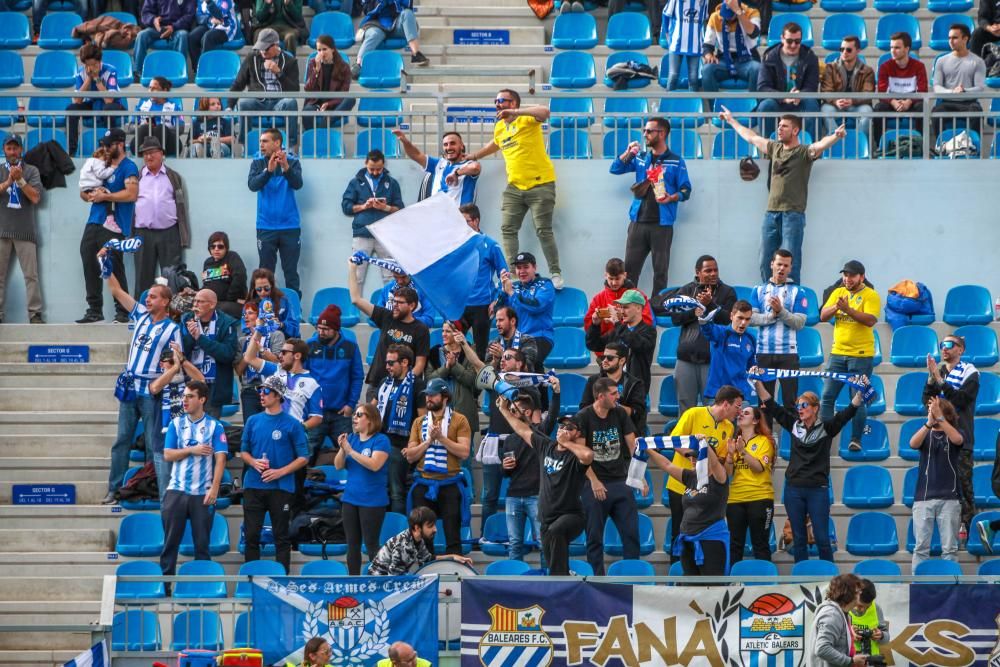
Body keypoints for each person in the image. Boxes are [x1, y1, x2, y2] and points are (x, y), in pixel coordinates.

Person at [717, 109, 846, 285]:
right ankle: (768, 294)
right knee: (765, 260)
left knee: (791, 261)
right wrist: (731, 120)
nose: (779, 129)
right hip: (771, 213)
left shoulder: (803, 152)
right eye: (779, 126)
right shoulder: (774, 148)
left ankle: (791, 301)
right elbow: (752, 138)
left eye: (784, 126)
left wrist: (836, 137)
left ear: (795, 131)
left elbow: (819, 145)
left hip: (793, 215)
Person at [755, 377, 863, 562]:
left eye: (804, 405)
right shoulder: (793, 425)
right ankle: (801, 581)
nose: (800, 409)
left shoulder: (827, 428)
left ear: (815, 408)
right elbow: (771, 404)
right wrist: (757, 383)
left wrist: (859, 390)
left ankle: (829, 581)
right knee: (799, 539)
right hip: (794, 489)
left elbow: (848, 412)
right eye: (798, 406)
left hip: (817, 490)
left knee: (822, 538)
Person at [466, 90, 562, 288]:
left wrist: (517, 113)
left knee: (543, 230)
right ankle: (513, 276)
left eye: (503, 101)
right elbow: (495, 144)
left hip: (541, 183)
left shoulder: (526, 118)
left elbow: (545, 112)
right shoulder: (500, 126)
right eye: (496, 101)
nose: (498, 104)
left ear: (514, 103)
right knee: (508, 229)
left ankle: (555, 272)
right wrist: (475, 155)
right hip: (514, 186)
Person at [101, 272, 181, 504]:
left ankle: (149, 487)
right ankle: (114, 489)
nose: (148, 300)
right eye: (148, 297)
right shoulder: (141, 315)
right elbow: (116, 291)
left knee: (151, 444)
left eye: (154, 297)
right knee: (121, 440)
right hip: (130, 387)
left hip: (151, 391)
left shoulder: (172, 329)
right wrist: (106, 267)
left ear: (165, 302)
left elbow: (176, 363)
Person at [496, 403, 593, 576]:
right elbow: (523, 430)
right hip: (546, 517)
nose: (563, 429)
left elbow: (588, 456)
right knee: (554, 560)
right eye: (561, 426)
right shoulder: (546, 446)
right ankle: (564, 578)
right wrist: (504, 410)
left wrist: (566, 443)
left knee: (556, 533)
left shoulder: (574, 456)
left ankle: (557, 585)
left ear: (578, 434)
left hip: (571, 516)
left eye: (569, 428)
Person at [609, 117, 692, 296]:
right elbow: (615, 168)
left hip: (662, 225)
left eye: (649, 131)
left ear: (661, 134)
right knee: (629, 270)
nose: (644, 134)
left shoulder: (676, 161)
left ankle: (656, 308)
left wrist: (672, 198)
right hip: (637, 222)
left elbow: (686, 190)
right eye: (645, 131)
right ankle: (628, 307)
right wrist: (628, 153)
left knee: (660, 272)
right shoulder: (640, 158)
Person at [158, 380, 228, 577]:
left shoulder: (215, 426)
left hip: (202, 493)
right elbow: (168, 455)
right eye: (184, 396)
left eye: (190, 396)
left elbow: (221, 459)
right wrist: (191, 450)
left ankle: (202, 587)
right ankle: (166, 585)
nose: (185, 400)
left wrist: (214, 489)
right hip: (176, 490)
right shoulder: (176, 423)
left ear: (202, 399)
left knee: (202, 545)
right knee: (170, 543)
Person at [240, 375, 309, 572]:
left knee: (281, 536)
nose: (262, 395)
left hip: (281, 487)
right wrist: (253, 462)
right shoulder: (253, 421)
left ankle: (281, 582)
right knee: (251, 535)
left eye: (266, 391)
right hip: (254, 484)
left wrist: (280, 472)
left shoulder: (292, 424)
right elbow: (243, 452)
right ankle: (252, 579)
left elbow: (303, 457)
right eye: (260, 391)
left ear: (278, 395)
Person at [663, 385, 742, 558]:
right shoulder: (693, 414)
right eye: (737, 406)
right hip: (681, 483)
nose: (739, 411)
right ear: (725, 404)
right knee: (679, 532)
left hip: (707, 490)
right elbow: (673, 440)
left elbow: (719, 462)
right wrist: (693, 454)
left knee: (703, 534)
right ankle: (678, 578)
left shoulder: (728, 427)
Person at [655, 255, 737, 414]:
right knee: (686, 410)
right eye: (708, 270)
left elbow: (728, 319)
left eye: (715, 270)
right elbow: (676, 318)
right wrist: (695, 310)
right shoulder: (686, 290)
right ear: (698, 272)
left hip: (713, 359)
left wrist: (710, 305)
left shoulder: (728, 292)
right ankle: (687, 440)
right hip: (686, 359)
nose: (713, 274)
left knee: (714, 408)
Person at [576, 377, 640, 575]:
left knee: (631, 534)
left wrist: (639, 475)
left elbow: (633, 444)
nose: (618, 397)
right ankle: (598, 581)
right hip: (594, 483)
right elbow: (580, 452)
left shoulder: (620, 413)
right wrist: (594, 481)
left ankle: (632, 577)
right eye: (613, 394)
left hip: (620, 481)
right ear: (600, 396)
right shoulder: (583, 417)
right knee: (594, 537)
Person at [404, 378, 472, 555]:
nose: (428, 399)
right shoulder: (419, 422)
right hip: (424, 483)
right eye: (427, 395)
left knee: (452, 534)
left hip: (449, 483)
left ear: (445, 397)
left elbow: (464, 452)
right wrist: (428, 441)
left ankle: (455, 572)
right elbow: (411, 456)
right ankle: (426, 572)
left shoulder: (460, 420)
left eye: (433, 395)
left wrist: (441, 438)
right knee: (421, 536)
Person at [646, 435, 731, 576]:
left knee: (713, 587)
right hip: (687, 539)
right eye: (691, 457)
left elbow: (715, 464)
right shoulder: (691, 477)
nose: (692, 460)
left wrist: (705, 443)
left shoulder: (718, 478)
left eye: (697, 457)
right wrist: (646, 447)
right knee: (691, 587)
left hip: (710, 540)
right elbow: (667, 465)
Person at [820, 260, 880, 452]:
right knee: (827, 397)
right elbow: (823, 316)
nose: (847, 279)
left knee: (857, 398)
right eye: (845, 275)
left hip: (861, 356)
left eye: (852, 275)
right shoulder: (838, 292)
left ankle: (856, 439)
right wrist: (836, 308)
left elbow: (870, 320)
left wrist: (848, 310)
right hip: (837, 353)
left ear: (861, 277)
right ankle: (824, 437)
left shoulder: (871, 295)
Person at [923, 333, 979, 534]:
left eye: (949, 344)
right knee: (941, 488)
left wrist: (939, 380)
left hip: (961, 440)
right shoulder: (938, 372)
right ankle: (946, 531)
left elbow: (960, 401)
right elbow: (927, 401)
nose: (944, 348)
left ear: (961, 350)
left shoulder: (970, 372)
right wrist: (932, 379)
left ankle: (969, 530)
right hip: (937, 440)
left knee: (963, 488)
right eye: (942, 345)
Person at [499, 381, 560, 565]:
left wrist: (556, 392)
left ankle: (547, 582)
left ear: (526, 412)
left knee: (543, 543)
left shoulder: (540, 432)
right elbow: (505, 473)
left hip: (536, 496)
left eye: (513, 410)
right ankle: (514, 584)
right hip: (513, 496)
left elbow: (553, 416)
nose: (510, 414)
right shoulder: (509, 439)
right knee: (514, 544)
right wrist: (505, 467)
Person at [349, 260, 430, 391]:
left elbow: (420, 363)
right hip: (378, 384)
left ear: (412, 306)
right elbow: (356, 299)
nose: (395, 305)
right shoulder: (386, 316)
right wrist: (352, 268)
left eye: (400, 302)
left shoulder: (420, 329)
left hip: (404, 388)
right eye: (394, 301)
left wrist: (405, 384)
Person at [749, 249, 808, 421]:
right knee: (764, 403)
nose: (781, 268)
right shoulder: (758, 290)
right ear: (771, 264)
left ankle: (792, 445)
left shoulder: (798, 291)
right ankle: (766, 446)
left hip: (788, 354)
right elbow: (751, 318)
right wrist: (771, 316)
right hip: (763, 353)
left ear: (790, 268)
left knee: (790, 403)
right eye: (779, 264)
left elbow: (799, 323)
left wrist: (781, 311)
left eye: (786, 265)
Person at [335, 403, 390, 575]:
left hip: (372, 501)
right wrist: (343, 449)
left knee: (371, 544)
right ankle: (354, 581)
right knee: (352, 545)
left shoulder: (381, 440)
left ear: (371, 420)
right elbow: (338, 466)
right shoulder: (351, 438)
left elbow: (374, 465)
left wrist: (350, 451)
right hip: (350, 499)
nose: (355, 417)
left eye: (360, 415)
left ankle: (377, 582)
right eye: (355, 415)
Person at [909, 396, 964, 569]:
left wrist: (940, 418)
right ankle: (918, 586)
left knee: (949, 549)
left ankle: (951, 587)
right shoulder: (926, 433)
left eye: (933, 410)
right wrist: (928, 423)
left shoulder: (953, 432)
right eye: (929, 410)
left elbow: (958, 440)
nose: (930, 413)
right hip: (923, 498)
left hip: (950, 498)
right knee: (921, 548)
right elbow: (912, 443)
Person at [248, 128, 304, 296]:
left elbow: (297, 184)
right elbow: (253, 185)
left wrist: (285, 167)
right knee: (265, 274)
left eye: (265, 141)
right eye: (260, 141)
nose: (261, 145)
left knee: (291, 272)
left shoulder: (292, 161)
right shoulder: (257, 162)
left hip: (290, 226)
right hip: (265, 227)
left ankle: (294, 310)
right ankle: (266, 308)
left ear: (277, 143)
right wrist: (269, 171)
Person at [133, 136, 190, 296]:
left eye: (152, 152)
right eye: (145, 154)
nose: (148, 157)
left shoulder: (174, 177)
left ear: (161, 154)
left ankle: (172, 314)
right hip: (142, 234)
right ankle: (142, 314)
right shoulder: (136, 177)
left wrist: (183, 235)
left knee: (171, 277)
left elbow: (181, 208)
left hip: (169, 233)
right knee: (142, 277)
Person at [374, 344, 427, 514]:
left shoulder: (417, 385)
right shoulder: (384, 383)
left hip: (401, 447)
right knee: (381, 490)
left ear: (404, 362)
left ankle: (398, 530)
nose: (387, 366)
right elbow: (372, 410)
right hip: (380, 444)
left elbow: (422, 420)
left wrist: (413, 446)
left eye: (391, 363)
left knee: (397, 492)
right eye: (386, 363)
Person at [342, 149, 404, 287]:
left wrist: (385, 208)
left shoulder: (392, 183)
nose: (375, 172)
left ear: (384, 165)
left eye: (379, 169)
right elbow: (346, 207)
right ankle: (354, 309)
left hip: (386, 234)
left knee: (390, 277)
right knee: (357, 276)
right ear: (365, 163)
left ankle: (391, 308)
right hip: (363, 233)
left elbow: (400, 209)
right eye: (372, 169)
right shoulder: (355, 182)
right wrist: (364, 206)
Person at [229, 28, 300, 147]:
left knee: (291, 103)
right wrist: (230, 105)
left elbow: (294, 89)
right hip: (258, 101)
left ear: (276, 46)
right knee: (243, 103)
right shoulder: (252, 57)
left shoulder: (290, 61)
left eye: (266, 48)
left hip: (279, 101)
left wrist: (278, 73)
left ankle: (291, 146)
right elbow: (239, 83)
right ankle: (244, 145)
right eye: (260, 47)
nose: (263, 51)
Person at [0, 134, 44, 324]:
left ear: (21, 150)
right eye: (9, 148)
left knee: (31, 276)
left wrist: (21, 181)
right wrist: (9, 181)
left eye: (15, 148)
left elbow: (35, 198)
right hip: (1, 230)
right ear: (4, 150)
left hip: (25, 230)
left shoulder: (32, 170)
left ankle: (34, 314)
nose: (12, 152)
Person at [725, 404, 775, 563]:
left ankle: (764, 587)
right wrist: (730, 455)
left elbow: (759, 468)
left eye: (745, 413)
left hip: (760, 498)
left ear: (755, 420)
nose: (740, 414)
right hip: (735, 499)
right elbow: (728, 473)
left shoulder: (764, 441)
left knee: (760, 545)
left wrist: (743, 452)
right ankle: (732, 585)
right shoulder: (733, 442)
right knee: (734, 545)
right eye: (740, 412)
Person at [180, 289, 240, 419]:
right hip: (190, 383)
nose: (195, 305)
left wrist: (200, 338)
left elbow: (227, 354)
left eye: (200, 301)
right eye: (194, 301)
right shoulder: (187, 319)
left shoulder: (226, 323)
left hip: (214, 387)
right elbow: (182, 351)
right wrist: (192, 336)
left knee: (208, 429)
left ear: (212, 304)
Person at [755, 22, 821, 138]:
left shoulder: (810, 57)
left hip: (800, 102)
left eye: (797, 41)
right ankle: (769, 150)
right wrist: (784, 97)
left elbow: (811, 87)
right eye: (789, 41)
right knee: (765, 106)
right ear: (782, 39)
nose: (793, 45)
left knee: (812, 104)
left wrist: (799, 95)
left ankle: (812, 151)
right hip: (778, 102)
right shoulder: (769, 57)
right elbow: (763, 87)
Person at [585, 290, 657, 397]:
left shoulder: (649, 331)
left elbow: (636, 343)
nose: (622, 311)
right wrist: (595, 325)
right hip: (611, 389)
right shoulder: (618, 330)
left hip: (634, 390)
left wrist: (617, 323)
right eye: (621, 307)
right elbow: (593, 345)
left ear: (638, 308)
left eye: (626, 307)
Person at [460, 203, 507, 360]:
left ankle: (480, 385)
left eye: (465, 221)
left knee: (480, 352)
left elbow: (504, 275)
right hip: (460, 306)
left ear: (476, 221)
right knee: (454, 349)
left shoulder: (490, 245)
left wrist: (497, 300)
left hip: (482, 305)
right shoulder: (454, 246)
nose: (461, 226)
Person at [67, 43, 127, 164]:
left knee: (108, 108)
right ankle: (71, 151)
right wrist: (89, 79)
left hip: (114, 105)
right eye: (88, 65)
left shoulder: (111, 71)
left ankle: (108, 148)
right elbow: (78, 100)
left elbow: (109, 100)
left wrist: (97, 78)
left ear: (100, 61)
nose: (91, 68)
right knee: (71, 109)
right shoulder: (81, 73)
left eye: (94, 64)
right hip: (93, 103)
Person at [368, 506, 472, 575]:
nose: (435, 529)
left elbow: (428, 559)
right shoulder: (404, 546)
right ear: (417, 528)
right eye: (430, 526)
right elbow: (394, 579)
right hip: (377, 587)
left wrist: (453, 557)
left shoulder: (417, 539)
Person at [495, 252, 556, 368]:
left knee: (528, 364)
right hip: (517, 337)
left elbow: (536, 306)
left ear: (535, 267)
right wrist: (503, 292)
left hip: (539, 336)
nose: (522, 271)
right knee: (500, 363)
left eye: (526, 267)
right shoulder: (513, 286)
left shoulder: (545, 284)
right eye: (518, 268)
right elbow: (498, 312)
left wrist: (511, 293)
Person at [394, 130, 480, 206]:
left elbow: (476, 167)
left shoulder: (468, 164)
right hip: (437, 216)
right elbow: (415, 155)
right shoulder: (438, 163)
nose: (449, 147)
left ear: (461, 146)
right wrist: (405, 142)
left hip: (459, 218)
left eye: (452, 143)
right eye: (445, 145)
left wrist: (456, 174)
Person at [873, 32, 928, 149]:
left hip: (912, 102)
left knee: (922, 107)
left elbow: (922, 90)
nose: (893, 50)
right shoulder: (885, 66)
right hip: (892, 103)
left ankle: (921, 145)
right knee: (878, 108)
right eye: (891, 47)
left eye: (897, 47)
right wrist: (893, 102)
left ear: (907, 49)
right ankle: (880, 146)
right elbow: (882, 92)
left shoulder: (919, 66)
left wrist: (909, 101)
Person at [932, 23, 986, 138]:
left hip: (969, 102)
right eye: (949, 38)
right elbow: (936, 86)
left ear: (965, 39)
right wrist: (952, 92)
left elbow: (980, 88)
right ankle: (940, 148)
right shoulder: (941, 60)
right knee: (936, 112)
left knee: (976, 112)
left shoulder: (978, 61)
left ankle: (973, 149)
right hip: (947, 102)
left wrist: (964, 91)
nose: (951, 41)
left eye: (955, 38)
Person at [427, 321, 480, 438]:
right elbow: (429, 380)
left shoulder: (470, 353)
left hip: (464, 413)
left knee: (465, 454)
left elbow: (472, 380)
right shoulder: (434, 353)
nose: (443, 334)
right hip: (439, 413)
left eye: (448, 331)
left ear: (458, 334)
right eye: (442, 331)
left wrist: (455, 366)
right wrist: (446, 368)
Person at [580, 342, 647, 434]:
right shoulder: (593, 380)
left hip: (625, 432)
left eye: (610, 358)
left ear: (622, 361)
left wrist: (610, 405)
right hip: (598, 430)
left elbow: (637, 412)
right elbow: (584, 407)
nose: (605, 361)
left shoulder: (635, 383)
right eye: (603, 357)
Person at [353, 0, 428, 80]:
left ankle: (416, 54)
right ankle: (359, 64)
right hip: (376, 23)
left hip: (397, 23)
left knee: (407, 13)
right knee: (374, 34)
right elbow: (367, 10)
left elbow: (408, 5)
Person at [234, 300, 283, 421]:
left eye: (250, 313)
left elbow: (278, 362)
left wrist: (260, 349)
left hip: (271, 388)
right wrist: (249, 351)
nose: (246, 316)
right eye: (244, 314)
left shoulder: (276, 335)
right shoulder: (242, 340)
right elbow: (239, 371)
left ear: (259, 316)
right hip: (249, 390)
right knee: (251, 428)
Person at [583, 258, 654, 341]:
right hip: (606, 349)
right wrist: (595, 324)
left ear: (624, 275)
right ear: (605, 275)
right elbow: (590, 333)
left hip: (631, 348)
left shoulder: (638, 297)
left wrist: (618, 320)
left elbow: (646, 323)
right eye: (611, 278)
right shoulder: (597, 299)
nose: (614, 283)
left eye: (617, 279)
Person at [820, 36, 875, 141]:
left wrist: (852, 101)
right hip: (836, 105)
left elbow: (868, 94)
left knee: (867, 111)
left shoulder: (867, 71)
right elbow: (826, 91)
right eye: (842, 49)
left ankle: (860, 145)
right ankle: (835, 143)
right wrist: (835, 101)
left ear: (857, 51)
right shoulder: (830, 68)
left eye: (848, 50)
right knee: (825, 110)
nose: (844, 52)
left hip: (856, 105)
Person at [701, 299, 757, 401]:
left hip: (741, 396)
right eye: (740, 318)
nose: (743, 322)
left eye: (747, 319)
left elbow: (751, 365)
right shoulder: (721, 333)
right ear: (731, 316)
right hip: (720, 395)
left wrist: (755, 368)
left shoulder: (751, 339)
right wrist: (703, 321)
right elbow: (708, 331)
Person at [701, 0, 762, 93]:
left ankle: (755, 106)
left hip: (747, 59)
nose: (728, 19)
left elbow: (753, 33)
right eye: (725, 15)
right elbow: (707, 45)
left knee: (757, 68)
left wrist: (739, 12)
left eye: (730, 15)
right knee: (706, 70)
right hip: (724, 59)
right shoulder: (715, 17)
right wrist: (708, 55)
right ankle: (713, 106)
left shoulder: (752, 13)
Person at [810, 574, 869, 667]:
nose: (860, 594)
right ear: (848, 592)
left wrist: (852, 660)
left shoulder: (841, 613)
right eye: (858, 591)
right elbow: (822, 649)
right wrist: (851, 661)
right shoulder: (832, 614)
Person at [302, 35, 355, 131]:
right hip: (316, 103)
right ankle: (314, 136)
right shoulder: (312, 63)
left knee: (350, 99)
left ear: (332, 49)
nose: (321, 53)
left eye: (324, 49)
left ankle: (323, 127)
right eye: (319, 50)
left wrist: (329, 103)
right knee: (307, 111)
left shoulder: (344, 67)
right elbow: (308, 89)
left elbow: (344, 92)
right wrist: (316, 71)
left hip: (334, 104)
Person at [133, 0, 195, 79]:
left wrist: (173, 27)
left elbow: (189, 16)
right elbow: (145, 13)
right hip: (157, 28)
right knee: (141, 35)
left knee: (183, 35)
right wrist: (153, 20)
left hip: (176, 29)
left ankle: (179, 72)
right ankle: (138, 72)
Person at [133, 77, 185, 157]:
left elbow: (181, 128)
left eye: (154, 88)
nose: (150, 91)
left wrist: (160, 127)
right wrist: (143, 126)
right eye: (150, 88)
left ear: (164, 90)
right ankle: (142, 157)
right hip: (144, 139)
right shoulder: (142, 105)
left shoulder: (174, 106)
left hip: (168, 144)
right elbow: (130, 127)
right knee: (145, 128)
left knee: (160, 128)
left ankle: (158, 156)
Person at [662, 0, 708, 91]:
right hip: (677, 43)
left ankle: (693, 103)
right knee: (673, 75)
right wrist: (667, 33)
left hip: (695, 44)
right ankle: (669, 103)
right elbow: (665, 14)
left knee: (694, 78)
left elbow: (704, 20)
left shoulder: (705, 1)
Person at [201, 231, 247, 319]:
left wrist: (229, 298)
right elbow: (207, 284)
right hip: (211, 302)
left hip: (231, 302)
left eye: (220, 246)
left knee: (219, 309)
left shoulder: (232, 257)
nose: (216, 249)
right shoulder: (208, 263)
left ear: (226, 248)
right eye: (213, 246)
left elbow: (240, 277)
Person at [370, 269, 437, 329]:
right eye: (396, 277)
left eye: (403, 277)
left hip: (414, 334)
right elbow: (377, 316)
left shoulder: (423, 289)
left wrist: (404, 320)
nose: (400, 281)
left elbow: (429, 320)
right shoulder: (387, 289)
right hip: (389, 336)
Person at [246, 267, 299, 338]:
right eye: (259, 289)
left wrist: (280, 324)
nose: (263, 292)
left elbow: (295, 329)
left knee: (277, 334)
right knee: (242, 340)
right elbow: (245, 328)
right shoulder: (250, 304)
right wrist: (258, 325)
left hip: (281, 337)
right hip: (257, 338)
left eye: (266, 288)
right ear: (254, 288)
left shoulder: (283, 300)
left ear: (272, 285)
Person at [485, 305, 538, 373]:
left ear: (512, 321)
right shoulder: (493, 343)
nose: (497, 324)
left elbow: (528, 369)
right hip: (499, 382)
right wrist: (495, 361)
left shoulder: (527, 340)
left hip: (521, 382)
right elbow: (486, 373)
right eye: (496, 321)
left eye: (501, 320)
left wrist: (503, 355)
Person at [188, 0, 238, 71]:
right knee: (192, 37)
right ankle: (197, 69)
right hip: (210, 25)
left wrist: (209, 2)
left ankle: (205, 70)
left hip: (226, 28)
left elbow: (220, 16)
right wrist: (209, 20)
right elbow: (199, 16)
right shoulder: (201, 1)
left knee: (208, 37)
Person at [850, 579, 891, 661]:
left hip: (872, 660)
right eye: (860, 606)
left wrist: (881, 635)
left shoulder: (876, 608)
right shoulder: (844, 609)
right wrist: (849, 634)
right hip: (850, 659)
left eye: (867, 606)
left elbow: (886, 637)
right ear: (854, 596)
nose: (862, 609)